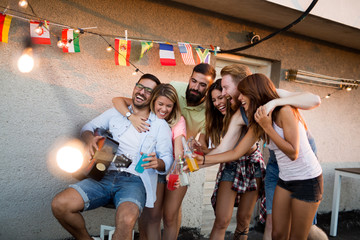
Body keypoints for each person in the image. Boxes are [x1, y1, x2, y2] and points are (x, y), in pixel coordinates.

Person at [192, 64, 321, 240]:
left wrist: (275, 104)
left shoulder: (276, 103)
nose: (223, 92)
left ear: (242, 86)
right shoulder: (250, 115)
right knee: (274, 226)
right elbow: (231, 150)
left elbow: (314, 102)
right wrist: (199, 162)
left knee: (302, 230)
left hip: (304, 170)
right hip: (280, 168)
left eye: (225, 87)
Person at [51, 74, 174, 240]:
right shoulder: (115, 113)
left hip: (134, 181)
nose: (141, 92)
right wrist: (89, 140)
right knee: (60, 205)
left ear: (154, 97)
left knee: (127, 219)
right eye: (140, 86)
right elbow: (88, 127)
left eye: (148, 91)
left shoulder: (159, 125)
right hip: (103, 175)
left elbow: (168, 159)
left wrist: (158, 163)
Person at [112, 83, 186, 240]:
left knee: (170, 217)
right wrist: (130, 116)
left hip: (175, 170)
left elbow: (178, 150)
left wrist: (174, 171)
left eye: (169, 106)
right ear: (153, 101)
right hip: (153, 171)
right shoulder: (145, 117)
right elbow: (117, 100)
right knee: (151, 217)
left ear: (174, 106)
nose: (164, 109)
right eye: (160, 104)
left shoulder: (178, 121)